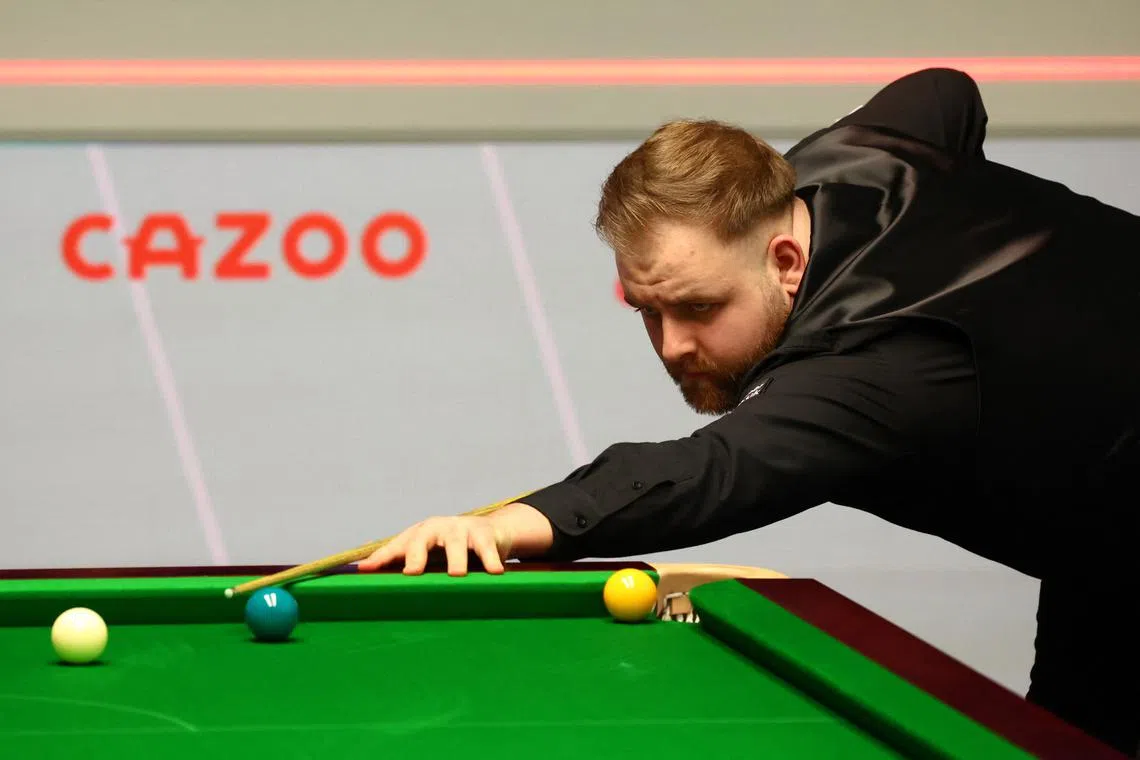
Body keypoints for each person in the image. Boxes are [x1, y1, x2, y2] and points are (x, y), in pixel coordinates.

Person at [358, 68, 1140, 754]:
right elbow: (944, 92)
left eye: (699, 308)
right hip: (1103, 544)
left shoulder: (879, 372)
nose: (672, 346)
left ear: (786, 260)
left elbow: (713, 472)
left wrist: (499, 526)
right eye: (647, 311)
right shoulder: (858, 155)